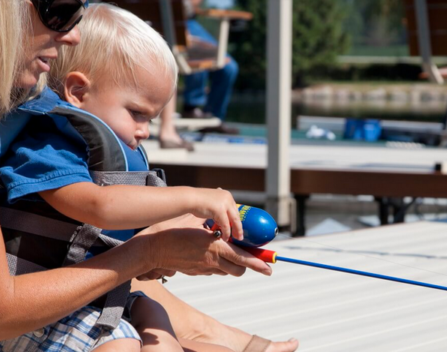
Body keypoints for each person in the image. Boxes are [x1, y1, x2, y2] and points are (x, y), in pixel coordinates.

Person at [0, 1, 271, 351]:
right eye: (60, 10)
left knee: (158, 323)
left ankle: (212, 335)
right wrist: (155, 246)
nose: (74, 34)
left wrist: (165, 237)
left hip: (28, 310)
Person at [47, 4, 298, 351]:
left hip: (98, 295)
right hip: (54, 307)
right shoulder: (47, 146)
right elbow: (97, 206)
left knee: (153, 313)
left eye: (152, 119)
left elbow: (117, 228)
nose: (145, 132)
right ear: (78, 92)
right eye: (137, 113)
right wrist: (192, 197)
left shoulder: (98, 146)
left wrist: (178, 232)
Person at [181, 0, 240, 135]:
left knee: (229, 67)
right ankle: (191, 107)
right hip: (169, 23)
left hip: (190, 22)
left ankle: (214, 117)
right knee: (199, 55)